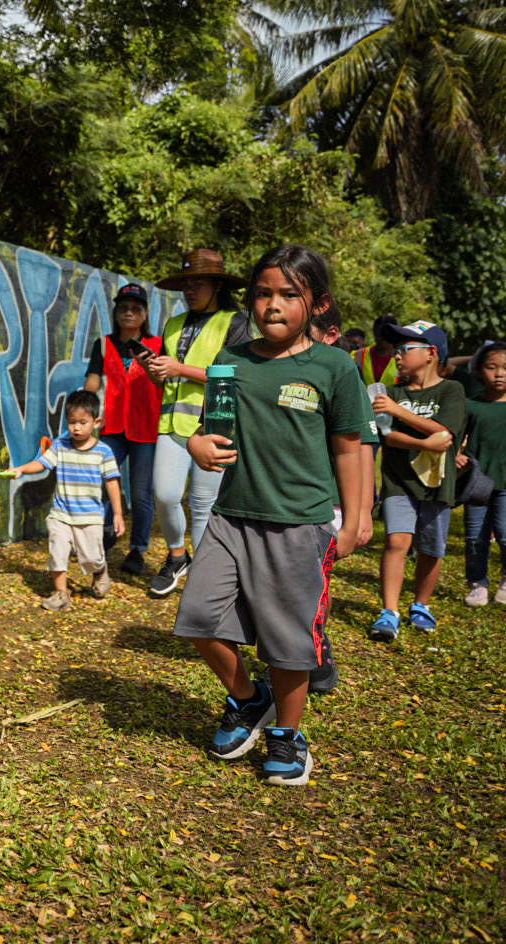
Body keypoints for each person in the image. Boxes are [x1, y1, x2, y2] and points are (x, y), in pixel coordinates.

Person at [180, 245, 364, 787]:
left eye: (289, 294)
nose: (274, 305)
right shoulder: (231, 362)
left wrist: (354, 518)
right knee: (197, 617)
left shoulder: (333, 366)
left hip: (299, 524)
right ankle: (249, 699)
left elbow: (350, 447)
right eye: (264, 293)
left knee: (288, 641)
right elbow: (210, 428)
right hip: (231, 516)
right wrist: (196, 445)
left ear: (318, 303)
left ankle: (288, 734)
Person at [146, 249, 252, 598]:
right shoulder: (173, 323)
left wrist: (178, 369)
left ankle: (205, 578)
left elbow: (236, 377)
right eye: (186, 284)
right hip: (171, 424)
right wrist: (157, 371)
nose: (189, 290)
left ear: (217, 286)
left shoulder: (236, 322)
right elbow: (168, 377)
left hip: (214, 426)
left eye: (198, 284)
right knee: (164, 494)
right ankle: (178, 556)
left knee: (205, 502)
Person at [369, 320, 467, 641]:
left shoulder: (451, 390)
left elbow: (446, 432)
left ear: (431, 353)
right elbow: (389, 436)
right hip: (398, 480)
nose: (397, 355)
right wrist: (425, 442)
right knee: (396, 541)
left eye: (405, 349)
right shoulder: (392, 392)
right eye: (396, 349)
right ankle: (390, 611)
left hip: (437, 482)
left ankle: (421, 605)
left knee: (431, 548)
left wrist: (401, 412)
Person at [304, 298, 378, 695]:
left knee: (315, 583)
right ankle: (296, 646)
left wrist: (361, 512)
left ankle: (315, 649)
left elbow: (362, 446)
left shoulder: (344, 373)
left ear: (331, 335)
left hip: (329, 500)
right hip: (288, 499)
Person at [5, 391, 124, 611]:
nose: (76, 428)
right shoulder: (61, 446)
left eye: (82, 422)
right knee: (57, 551)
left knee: (91, 557)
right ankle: (60, 593)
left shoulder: (103, 452)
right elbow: (41, 463)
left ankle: (100, 572)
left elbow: (112, 482)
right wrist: (21, 469)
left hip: (90, 517)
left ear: (96, 422)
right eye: (71, 423)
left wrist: (117, 513)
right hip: (61, 514)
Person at [83, 282, 163, 577]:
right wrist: (84, 413)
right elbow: (93, 381)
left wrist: (151, 367)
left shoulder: (157, 345)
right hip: (113, 427)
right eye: (124, 308)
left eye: (135, 308)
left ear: (144, 314)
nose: (129, 313)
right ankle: (106, 533)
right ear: (116, 312)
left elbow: (164, 385)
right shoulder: (103, 344)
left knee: (141, 493)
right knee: (102, 483)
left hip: (145, 428)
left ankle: (138, 550)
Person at [460, 342, 506, 606]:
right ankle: (477, 584)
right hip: (478, 483)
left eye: (505, 368)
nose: (499, 374)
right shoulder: (471, 405)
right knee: (476, 536)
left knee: (505, 532)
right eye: (491, 367)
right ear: (478, 371)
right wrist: (456, 454)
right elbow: (455, 438)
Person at [353, 315, 402, 388]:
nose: (382, 337)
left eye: (386, 333)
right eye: (379, 333)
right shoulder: (357, 355)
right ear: (374, 332)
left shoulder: (403, 355)